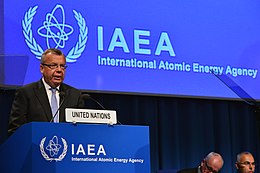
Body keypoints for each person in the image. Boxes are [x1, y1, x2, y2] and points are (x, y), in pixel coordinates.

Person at [8, 48, 84, 135]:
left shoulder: (75, 95)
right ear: (42, 68)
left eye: (62, 66)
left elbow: (80, 131)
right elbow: (15, 130)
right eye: (53, 66)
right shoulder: (26, 93)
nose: (59, 70)